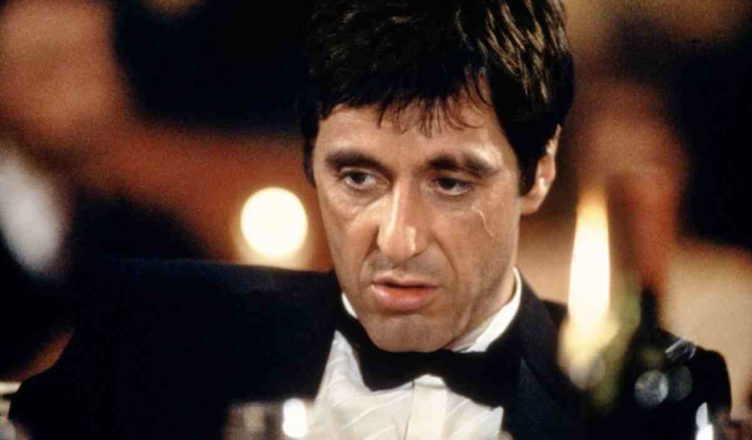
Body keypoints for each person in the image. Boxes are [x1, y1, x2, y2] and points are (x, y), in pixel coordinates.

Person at [9, 0, 730, 439]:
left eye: (450, 182)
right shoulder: (160, 328)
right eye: (357, 177)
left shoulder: (653, 391)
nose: (397, 238)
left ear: (538, 170)